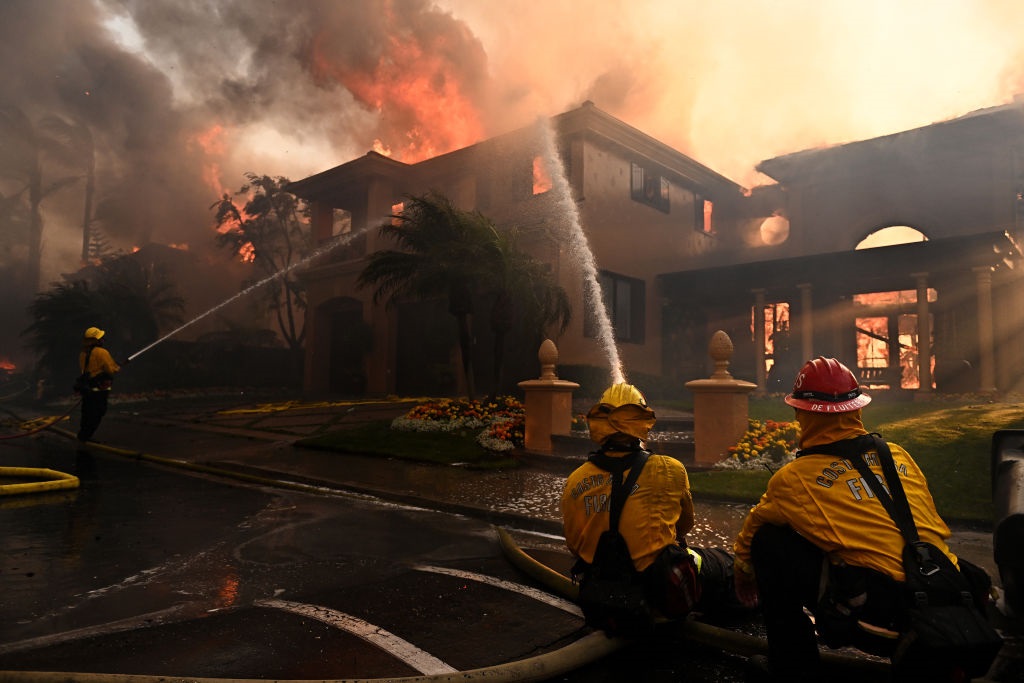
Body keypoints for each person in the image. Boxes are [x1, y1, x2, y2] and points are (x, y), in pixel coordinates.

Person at [732, 356, 993, 682]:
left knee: (769, 541)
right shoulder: (898, 455)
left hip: (881, 621)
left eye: (798, 410)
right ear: (855, 409)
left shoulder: (795, 478)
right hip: (951, 601)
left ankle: (792, 669)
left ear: (804, 413)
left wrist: (743, 572)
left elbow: (754, 526)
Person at [561, 382, 737, 625]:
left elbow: (574, 545)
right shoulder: (670, 469)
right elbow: (684, 526)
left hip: (601, 598)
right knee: (722, 564)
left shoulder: (575, 481)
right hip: (660, 592)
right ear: (641, 421)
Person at [77, 326, 121, 444]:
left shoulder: (83, 353)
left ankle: (83, 434)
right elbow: (110, 369)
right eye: (100, 337)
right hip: (99, 388)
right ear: (96, 340)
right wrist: (116, 368)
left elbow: (85, 370)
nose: (103, 339)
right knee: (98, 411)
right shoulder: (102, 352)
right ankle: (86, 437)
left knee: (87, 411)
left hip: (88, 387)